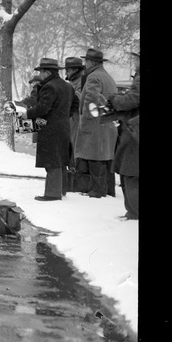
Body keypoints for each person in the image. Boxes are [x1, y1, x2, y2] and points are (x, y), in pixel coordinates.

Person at [21, 57, 74, 201]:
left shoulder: (49, 86)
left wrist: (27, 114)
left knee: (52, 161)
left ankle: (52, 194)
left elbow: (43, 108)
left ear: (47, 72)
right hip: (63, 127)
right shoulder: (67, 86)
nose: (41, 75)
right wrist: (62, 116)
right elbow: (76, 105)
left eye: (42, 72)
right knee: (61, 159)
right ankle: (62, 190)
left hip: (50, 128)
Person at [74, 48, 118, 198]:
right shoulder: (107, 77)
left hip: (95, 125)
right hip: (107, 124)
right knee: (106, 159)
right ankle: (109, 190)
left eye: (86, 61)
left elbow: (91, 99)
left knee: (95, 158)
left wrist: (85, 121)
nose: (85, 64)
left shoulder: (94, 77)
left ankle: (97, 191)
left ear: (91, 62)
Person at [101, 51, 140, 220]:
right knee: (129, 173)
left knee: (130, 174)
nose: (135, 62)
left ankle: (134, 213)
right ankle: (132, 211)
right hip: (132, 132)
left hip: (133, 134)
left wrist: (114, 99)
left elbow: (132, 100)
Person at [63, 56, 85, 191]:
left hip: (77, 117)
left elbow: (77, 98)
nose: (66, 73)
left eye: (68, 70)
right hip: (71, 117)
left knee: (75, 144)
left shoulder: (81, 81)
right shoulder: (74, 82)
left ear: (75, 70)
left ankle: (75, 173)